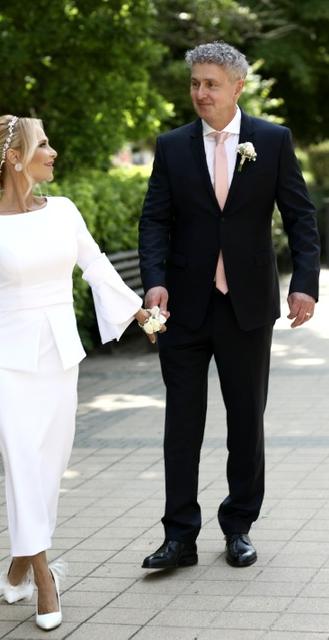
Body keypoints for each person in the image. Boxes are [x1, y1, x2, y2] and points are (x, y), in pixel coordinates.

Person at [0, 114, 156, 631]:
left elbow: (97, 265)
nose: (53, 151)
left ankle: (18, 567)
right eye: (43, 144)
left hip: (60, 357)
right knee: (22, 465)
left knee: (49, 467)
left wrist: (140, 313)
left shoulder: (63, 210)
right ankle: (44, 579)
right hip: (6, 361)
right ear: (15, 158)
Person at [138, 42, 320, 570]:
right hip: (183, 308)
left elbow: (300, 217)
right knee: (181, 425)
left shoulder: (272, 139)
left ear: (237, 87)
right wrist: (154, 281)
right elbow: (155, 220)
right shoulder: (172, 145)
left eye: (211, 84)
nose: (200, 93)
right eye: (195, 83)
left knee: (245, 422)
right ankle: (179, 536)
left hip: (248, 306)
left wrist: (305, 284)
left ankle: (238, 526)